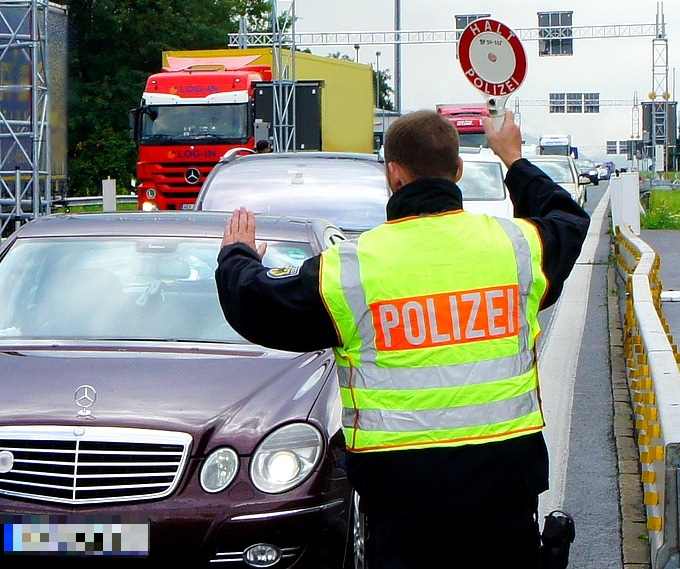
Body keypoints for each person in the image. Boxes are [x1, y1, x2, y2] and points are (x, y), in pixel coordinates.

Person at [214, 109, 590, 568]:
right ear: (459, 170)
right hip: (503, 485)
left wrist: (237, 256)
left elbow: (258, 306)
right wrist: (512, 158)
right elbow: (567, 218)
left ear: (393, 174)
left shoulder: (351, 268)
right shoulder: (515, 248)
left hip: (402, 498)